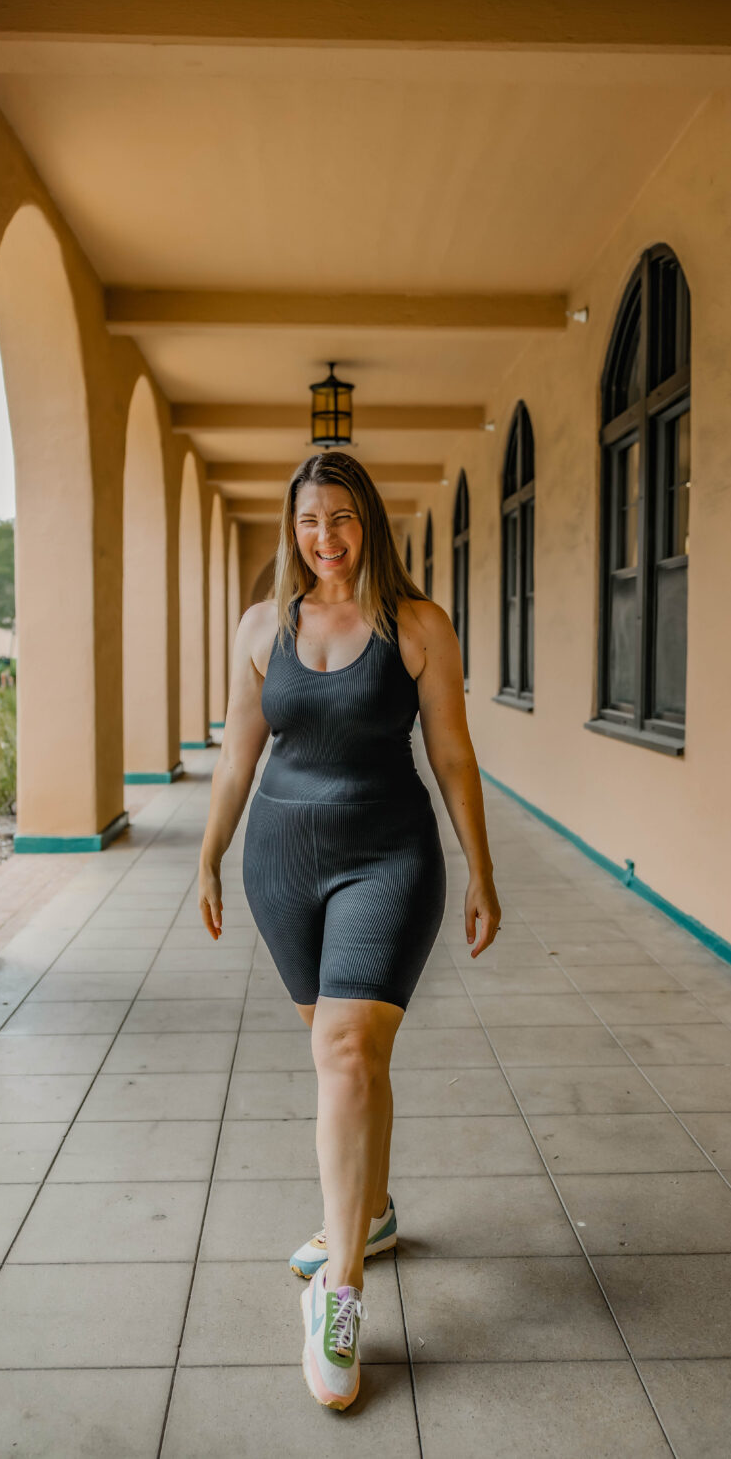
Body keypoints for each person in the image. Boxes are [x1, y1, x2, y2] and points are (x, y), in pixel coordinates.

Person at [197, 450, 501, 1411]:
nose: (322, 539)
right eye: (306, 523)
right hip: (282, 863)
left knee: (346, 1045)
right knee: (348, 1059)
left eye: (340, 518)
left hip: (389, 856)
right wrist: (206, 855)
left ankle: (341, 1294)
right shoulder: (261, 629)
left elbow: (453, 757)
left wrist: (483, 872)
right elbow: (238, 756)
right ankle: (365, 1211)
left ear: (368, 520)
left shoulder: (418, 627)